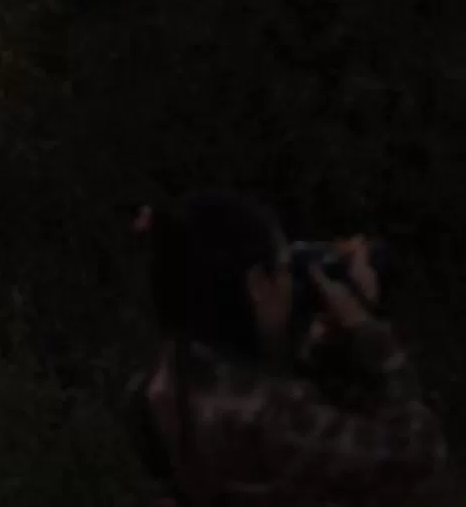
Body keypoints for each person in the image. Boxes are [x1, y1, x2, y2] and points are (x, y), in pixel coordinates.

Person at [130, 190, 445, 503]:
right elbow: (418, 458)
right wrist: (365, 329)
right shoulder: (272, 417)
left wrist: (328, 344)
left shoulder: (160, 386)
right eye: (283, 269)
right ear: (257, 284)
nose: (290, 287)